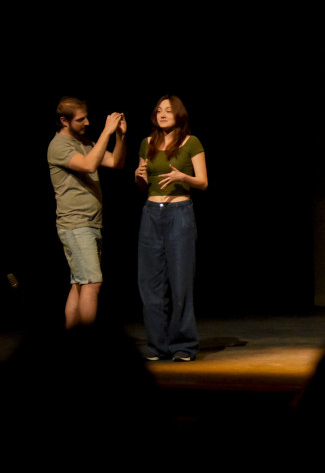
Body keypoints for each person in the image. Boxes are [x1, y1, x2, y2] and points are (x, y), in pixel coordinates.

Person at [134, 95, 208, 361]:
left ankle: (183, 345)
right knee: (150, 284)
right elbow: (143, 184)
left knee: (180, 283)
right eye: (159, 110)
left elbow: (203, 182)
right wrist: (138, 177)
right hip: (151, 214)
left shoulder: (191, 143)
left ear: (179, 115)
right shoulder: (147, 144)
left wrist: (182, 176)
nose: (162, 114)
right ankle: (156, 346)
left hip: (179, 214)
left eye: (168, 110)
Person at [47, 97, 126, 327]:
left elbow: (115, 162)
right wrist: (106, 132)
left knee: (80, 283)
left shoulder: (85, 142)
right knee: (92, 283)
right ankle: (87, 346)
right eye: (81, 119)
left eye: (87, 117)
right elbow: (89, 165)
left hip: (90, 223)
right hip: (75, 224)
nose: (87, 122)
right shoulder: (59, 146)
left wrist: (120, 135)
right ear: (64, 121)